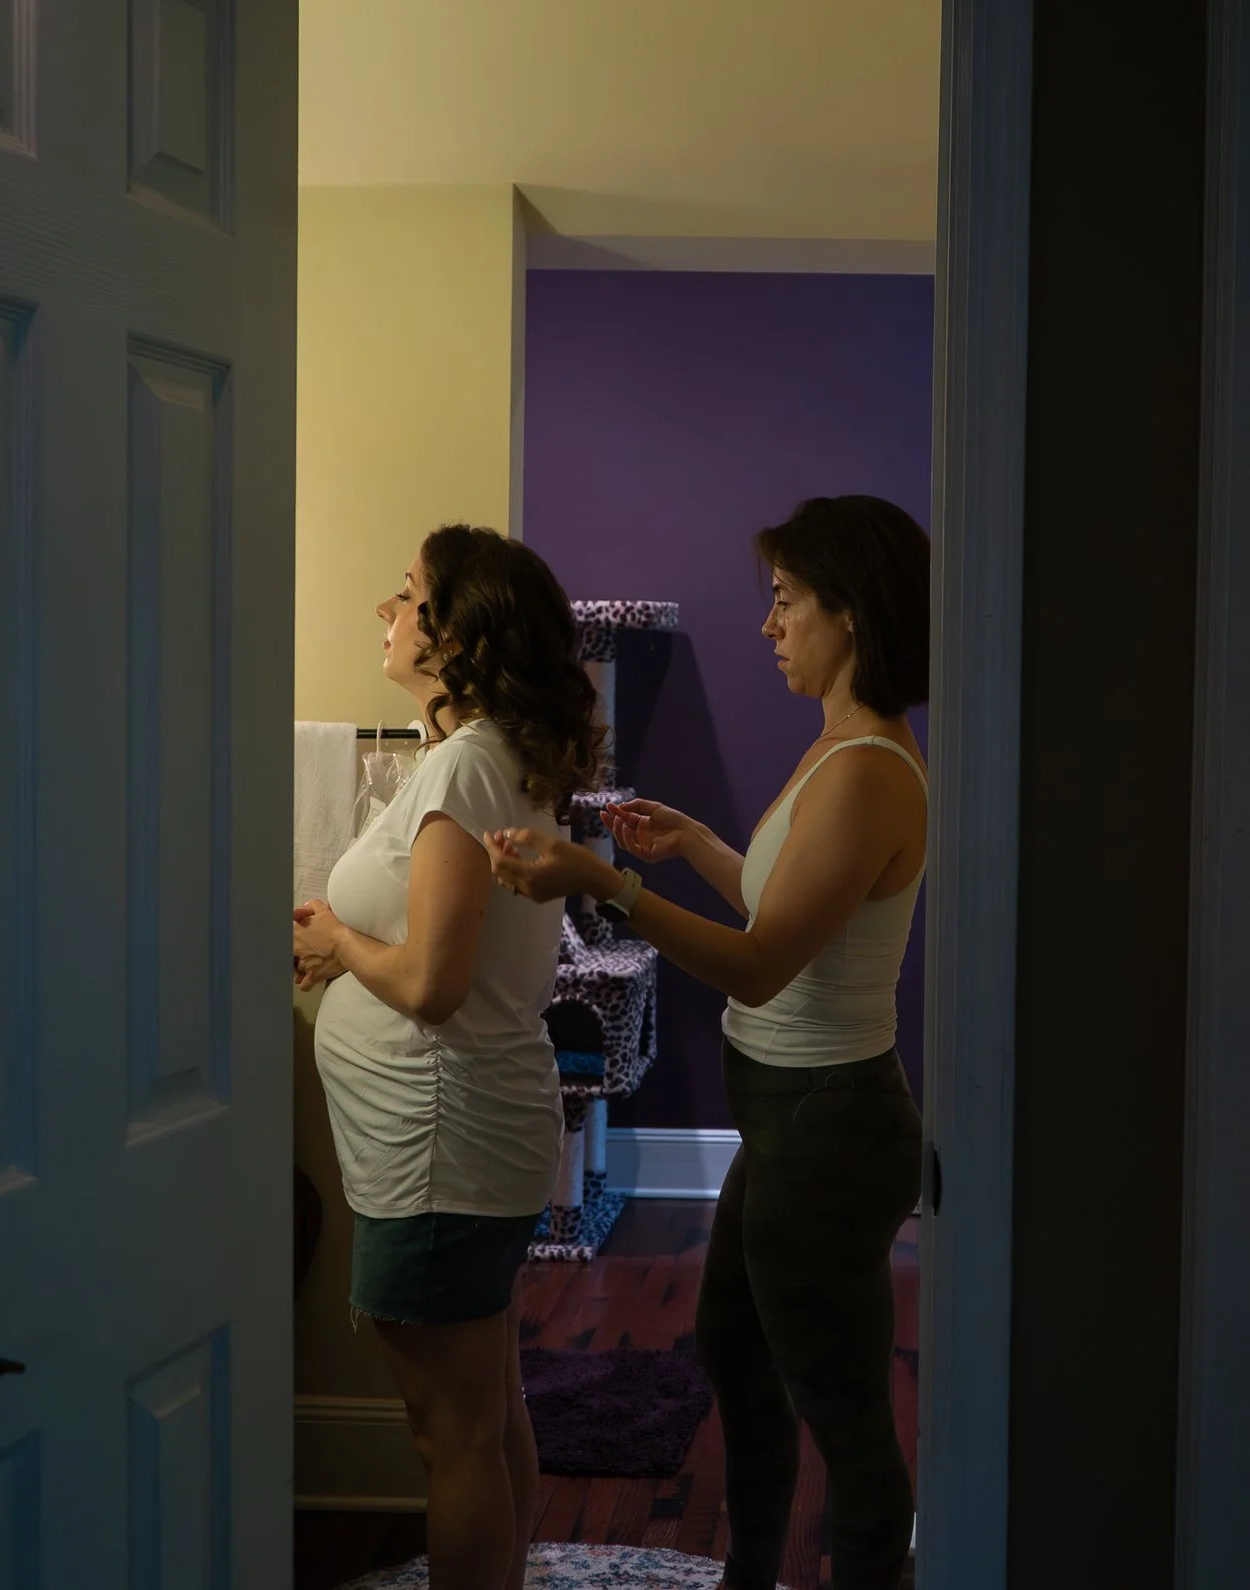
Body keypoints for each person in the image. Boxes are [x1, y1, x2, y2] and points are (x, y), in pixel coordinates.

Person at [484, 494, 930, 1590]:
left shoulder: (870, 767)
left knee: (843, 1409)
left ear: (852, 613)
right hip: (794, 1120)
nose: (770, 626)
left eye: (785, 603)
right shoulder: (840, 750)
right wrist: (697, 846)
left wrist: (610, 882)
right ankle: (749, 1577)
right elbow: (787, 903)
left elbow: (760, 960)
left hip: (829, 1122)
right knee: (739, 1355)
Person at [291, 524, 605, 1590]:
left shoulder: (467, 767)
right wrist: (344, 946)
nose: (386, 608)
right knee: (487, 1405)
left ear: (456, 629)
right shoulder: (480, 756)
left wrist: (337, 943)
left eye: (408, 592)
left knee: (452, 1432)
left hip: (441, 1149)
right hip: (460, 1139)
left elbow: (432, 982)